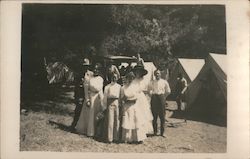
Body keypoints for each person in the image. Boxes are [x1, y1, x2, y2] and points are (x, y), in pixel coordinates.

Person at [75, 63, 104, 137]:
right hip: (91, 97)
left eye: (97, 69)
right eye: (95, 68)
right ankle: (89, 131)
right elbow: (86, 90)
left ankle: (96, 131)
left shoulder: (101, 79)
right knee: (90, 114)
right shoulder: (88, 78)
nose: (96, 70)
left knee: (97, 115)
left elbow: (100, 90)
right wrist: (87, 99)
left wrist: (103, 100)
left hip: (98, 98)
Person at [120, 72, 147, 144]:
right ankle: (128, 138)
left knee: (136, 120)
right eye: (129, 78)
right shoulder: (123, 87)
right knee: (128, 121)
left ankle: (138, 138)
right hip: (127, 107)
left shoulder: (135, 87)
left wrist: (129, 100)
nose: (130, 79)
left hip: (134, 105)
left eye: (132, 78)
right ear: (127, 78)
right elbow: (122, 98)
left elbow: (136, 97)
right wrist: (126, 100)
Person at [70, 58, 92, 131]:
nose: (85, 67)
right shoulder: (79, 74)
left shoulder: (91, 74)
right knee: (78, 110)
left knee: (87, 111)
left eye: (87, 66)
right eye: (84, 66)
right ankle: (74, 125)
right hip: (80, 94)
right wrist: (76, 96)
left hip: (88, 94)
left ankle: (85, 127)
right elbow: (76, 86)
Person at [132, 64, 154, 135]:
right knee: (135, 113)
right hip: (134, 97)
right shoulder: (133, 80)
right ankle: (135, 130)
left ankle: (143, 130)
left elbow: (147, 90)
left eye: (139, 72)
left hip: (141, 98)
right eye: (136, 72)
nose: (138, 73)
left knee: (143, 113)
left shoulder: (144, 80)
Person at [149, 69, 171, 137]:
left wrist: (163, 97)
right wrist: (152, 95)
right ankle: (155, 131)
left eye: (158, 73)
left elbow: (168, 91)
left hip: (161, 98)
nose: (157, 75)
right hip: (154, 98)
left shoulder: (164, 82)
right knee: (154, 116)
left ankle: (162, 132)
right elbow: (148, 90)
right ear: (154, 75)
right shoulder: (152, 82)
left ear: (160, 74)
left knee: (162, 116)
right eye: (156, 73)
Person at [102, 73, 121, 143]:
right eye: (113, 77)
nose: (114, 78)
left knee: (117, 120)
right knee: (110, 120)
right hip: (110, 104)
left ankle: (116, 137)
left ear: (117, 78)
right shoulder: (107, 87)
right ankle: (110, 138)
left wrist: (120, 105)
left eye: (115, 77)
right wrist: (104, 107)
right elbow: (104, 98)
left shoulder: (119, 87)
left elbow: (120, 97)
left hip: (117, 103)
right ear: (111, 78)